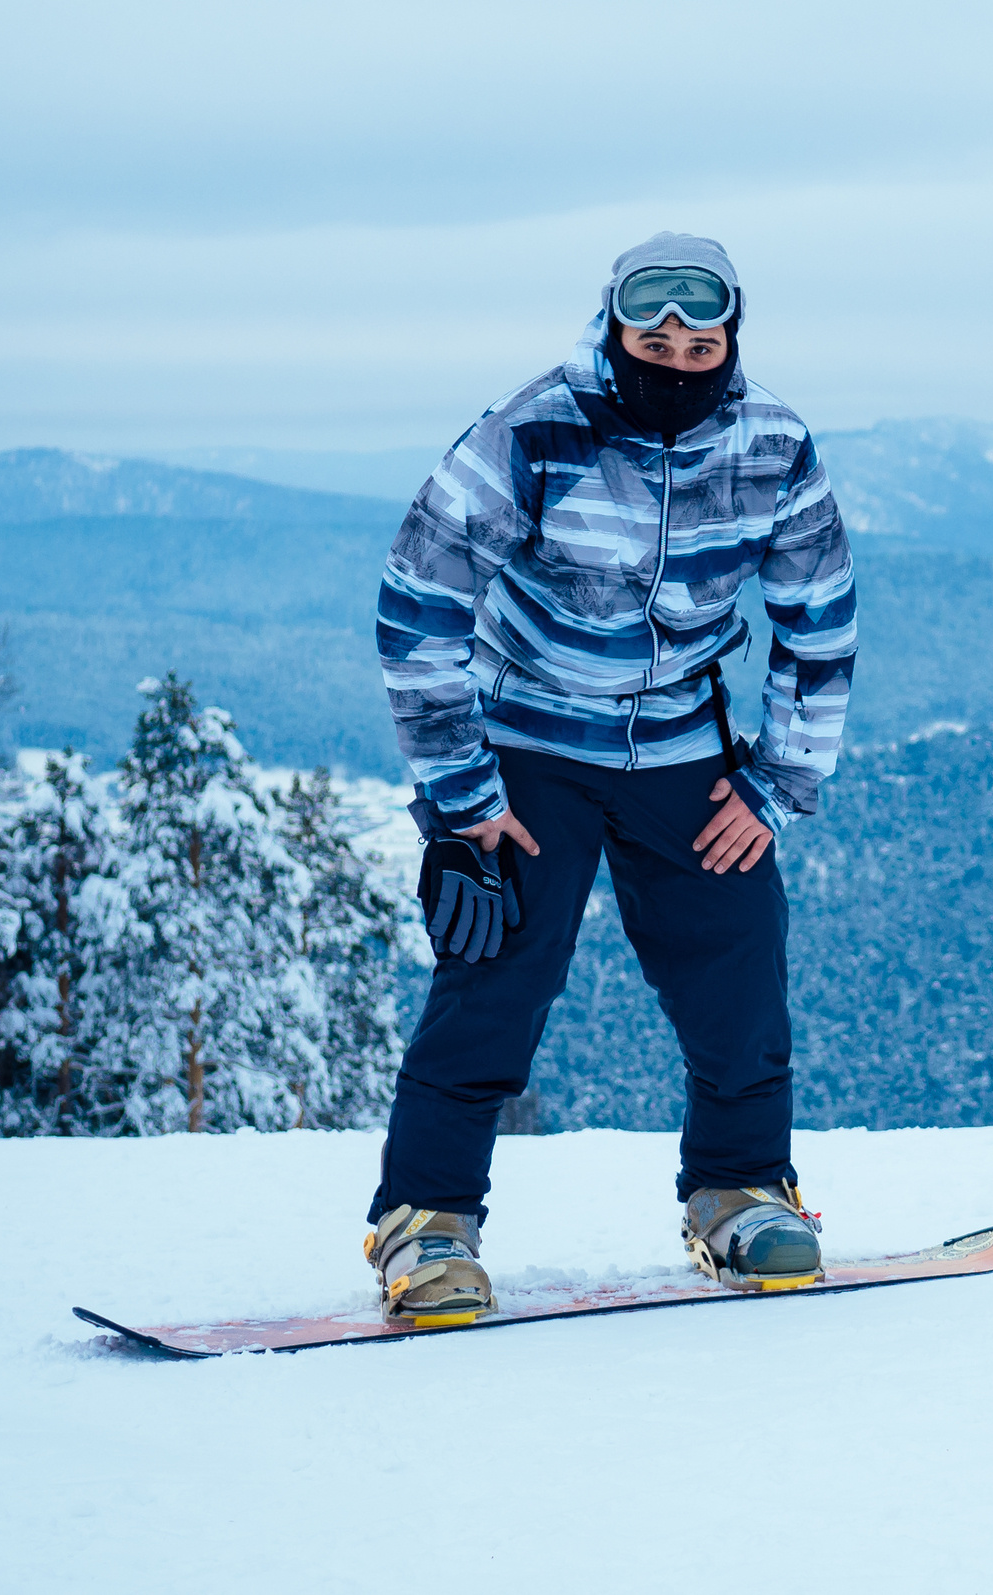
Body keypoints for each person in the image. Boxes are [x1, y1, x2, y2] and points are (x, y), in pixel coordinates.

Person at [360, 232, 856, 1323]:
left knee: (736, 968)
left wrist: (775, 786)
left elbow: (818, 623)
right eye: (652, 336)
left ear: (730, 336)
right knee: (499, 974)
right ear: (615, 328)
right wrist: (463, 792)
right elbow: (418, 604)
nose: (675, 357)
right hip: (529, 743)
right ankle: (426, 1221)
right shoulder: (533, 432)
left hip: (682, 744)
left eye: (700, 338)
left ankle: (740, 1192)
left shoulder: (772, 444)